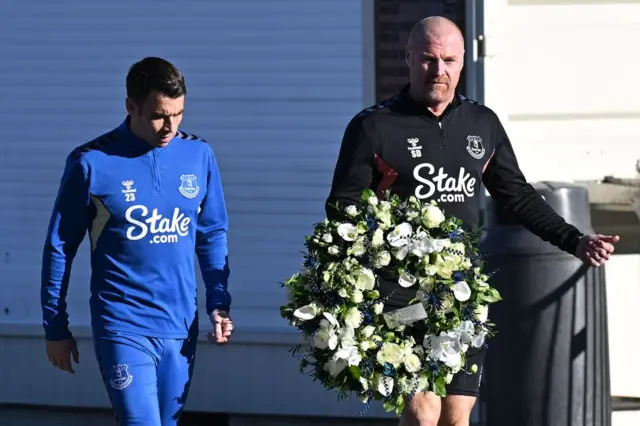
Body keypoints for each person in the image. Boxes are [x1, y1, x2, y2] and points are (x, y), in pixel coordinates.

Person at [325, 16, 619, 426]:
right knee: (423, 413)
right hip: (398, 291)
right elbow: (342, 207)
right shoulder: (374, 127)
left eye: (448, 60)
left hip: (460, 291)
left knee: (457, 416)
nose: (438, 71)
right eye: (428, 59)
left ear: (462, 62)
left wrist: (575, 240)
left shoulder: (482, 124)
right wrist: (379, 243)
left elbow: (516, 196)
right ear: (408, 58)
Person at [41, 57, 234, 426]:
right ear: (131, 106)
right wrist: (55, 326)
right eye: (160, 115)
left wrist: (219, 303)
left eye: (178, 114)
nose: (170, 126)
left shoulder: (199, 155)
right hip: (122, 323)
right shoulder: (91, 162)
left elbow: (211, 235)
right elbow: (60, 247)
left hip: (180, 324)